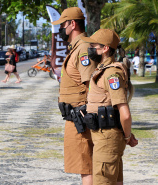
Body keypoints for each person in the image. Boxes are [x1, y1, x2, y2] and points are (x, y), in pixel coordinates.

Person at [81, 29, 138, 185]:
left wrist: (127, 137)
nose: (90, 48)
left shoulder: (111, 74)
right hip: (104, 138)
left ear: (105, 48)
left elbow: (124, 114)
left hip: (107, 140)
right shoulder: (102, 71)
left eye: (93, 45)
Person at [51, 7, 97, 185]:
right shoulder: (76, 47)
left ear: (72, 24)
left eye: (62, 25)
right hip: (75, 118)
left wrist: (90, 116)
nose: (60, 29)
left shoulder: (84, 48)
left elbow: (92, 85)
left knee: (87, 168)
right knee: (83, 166)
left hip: (83, 118)